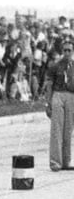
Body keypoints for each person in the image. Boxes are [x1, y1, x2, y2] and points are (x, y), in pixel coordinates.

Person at [44, 40, 74, 171]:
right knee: (57, 129)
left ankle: (66, 161)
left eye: (69, 50)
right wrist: (48, 103)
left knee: (68, 129)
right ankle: (55, 162)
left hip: (71, 96)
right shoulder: (55, 66)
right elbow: (49, 85)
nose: (67, 52)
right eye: (65, 50)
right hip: (58, 94)